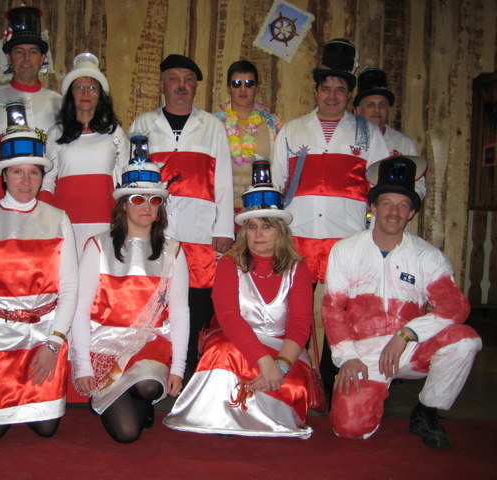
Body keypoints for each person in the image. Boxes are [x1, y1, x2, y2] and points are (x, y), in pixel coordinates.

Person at [322, 155, 482, 449]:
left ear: (411, 213)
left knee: (466, 340)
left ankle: (427, 410)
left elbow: (456, 306)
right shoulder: (345, 250)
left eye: (403, 205)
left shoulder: (427, 256)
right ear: (373, 207)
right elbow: (332, 310)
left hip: (410, 348)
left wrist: (407, 333)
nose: (394, 212)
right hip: (363, 353)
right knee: (349, 428)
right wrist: (347, 358)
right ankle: (372, 392)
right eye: (386, 203)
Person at [0, 103, 79, 439]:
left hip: (43, 339)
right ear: (4, 175)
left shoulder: (58, 219)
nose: (26, 180)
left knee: (47, 428)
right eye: (17, 172)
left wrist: (53, 345)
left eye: (34, 172)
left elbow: (69, 289)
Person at [164, 161, 313, 438]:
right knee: (222, 352)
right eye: (251, 226)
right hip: (235, 342)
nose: (258, 234)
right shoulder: (229, 263)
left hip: (283, 349)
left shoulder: (298, 268)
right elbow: (229, 317)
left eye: (266, 226)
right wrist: (264, 362)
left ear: (280, 231)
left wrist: (280, 365)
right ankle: (226, 415)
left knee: (291, 386)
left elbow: (300, 325)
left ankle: (240, 412)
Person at [71, 147, 189, 443]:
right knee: (127, 434)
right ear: (123, 206)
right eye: (138, 199)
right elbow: (80, 308)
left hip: (150, 346)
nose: (146, 206)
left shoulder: (173, 250)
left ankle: (141, 395)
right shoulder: (97, 246)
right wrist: (83, 364)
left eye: (154, 200)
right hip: (105, 348)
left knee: (148, 387)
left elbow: (179, 312)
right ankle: (125, 398)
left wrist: (178, 368)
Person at [130, 54, 233, 376]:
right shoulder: (143, 126)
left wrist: (224, 229)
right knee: (155, 298)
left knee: (198, 300)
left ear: (196, 87)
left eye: (188, 80)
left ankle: (188, 368)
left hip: (200, 232)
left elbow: (224, 180)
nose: (181, 86)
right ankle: (155, 365)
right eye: (174, 79)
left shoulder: (212, 127)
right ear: (162, 85)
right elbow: (129, 178)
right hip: (155, 229)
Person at [272, 38, 389, 284]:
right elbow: (277, 184)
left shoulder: (368, 133)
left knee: (344, 305)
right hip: (298, 238)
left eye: (340, 89)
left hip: (348, 239)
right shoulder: (292, 130)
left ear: (349, 95)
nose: (332, 96)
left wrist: (374, 234)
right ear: (316, 91)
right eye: (326, 89)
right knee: (297, 305)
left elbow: (380, 189)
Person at [41, 52, 128, 258]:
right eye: (79, 87)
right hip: (64, 223)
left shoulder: (115, 132)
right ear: (71, 94)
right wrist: (43, 221)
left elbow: (124, 180)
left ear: (100, 94)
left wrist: (124, 222)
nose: (85, 92)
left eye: (92, 87)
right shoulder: (56, 133)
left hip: (105, 223)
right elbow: (48, 180)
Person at [0, 5, 61, 205]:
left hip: (44, 206)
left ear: (42, 58)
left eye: (33, 52)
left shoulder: (59, 104)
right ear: (9, 57)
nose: (26, 58)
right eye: (19, 51)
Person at [215, 60, 282, 214]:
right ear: (228, 88)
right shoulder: (214, 124)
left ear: (257, 88)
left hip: (262, 210)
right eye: (236, 84)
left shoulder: (273, 125)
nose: (243, 89)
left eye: (249, 84)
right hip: (221, 210)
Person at [354, 66, 426, 199]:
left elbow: (418, 186)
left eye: (382, 105)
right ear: (359, 110)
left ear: (388, 109)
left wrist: (403, 204)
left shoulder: (403, 144)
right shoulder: (347, 141)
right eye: (370, 105)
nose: (377, 110)